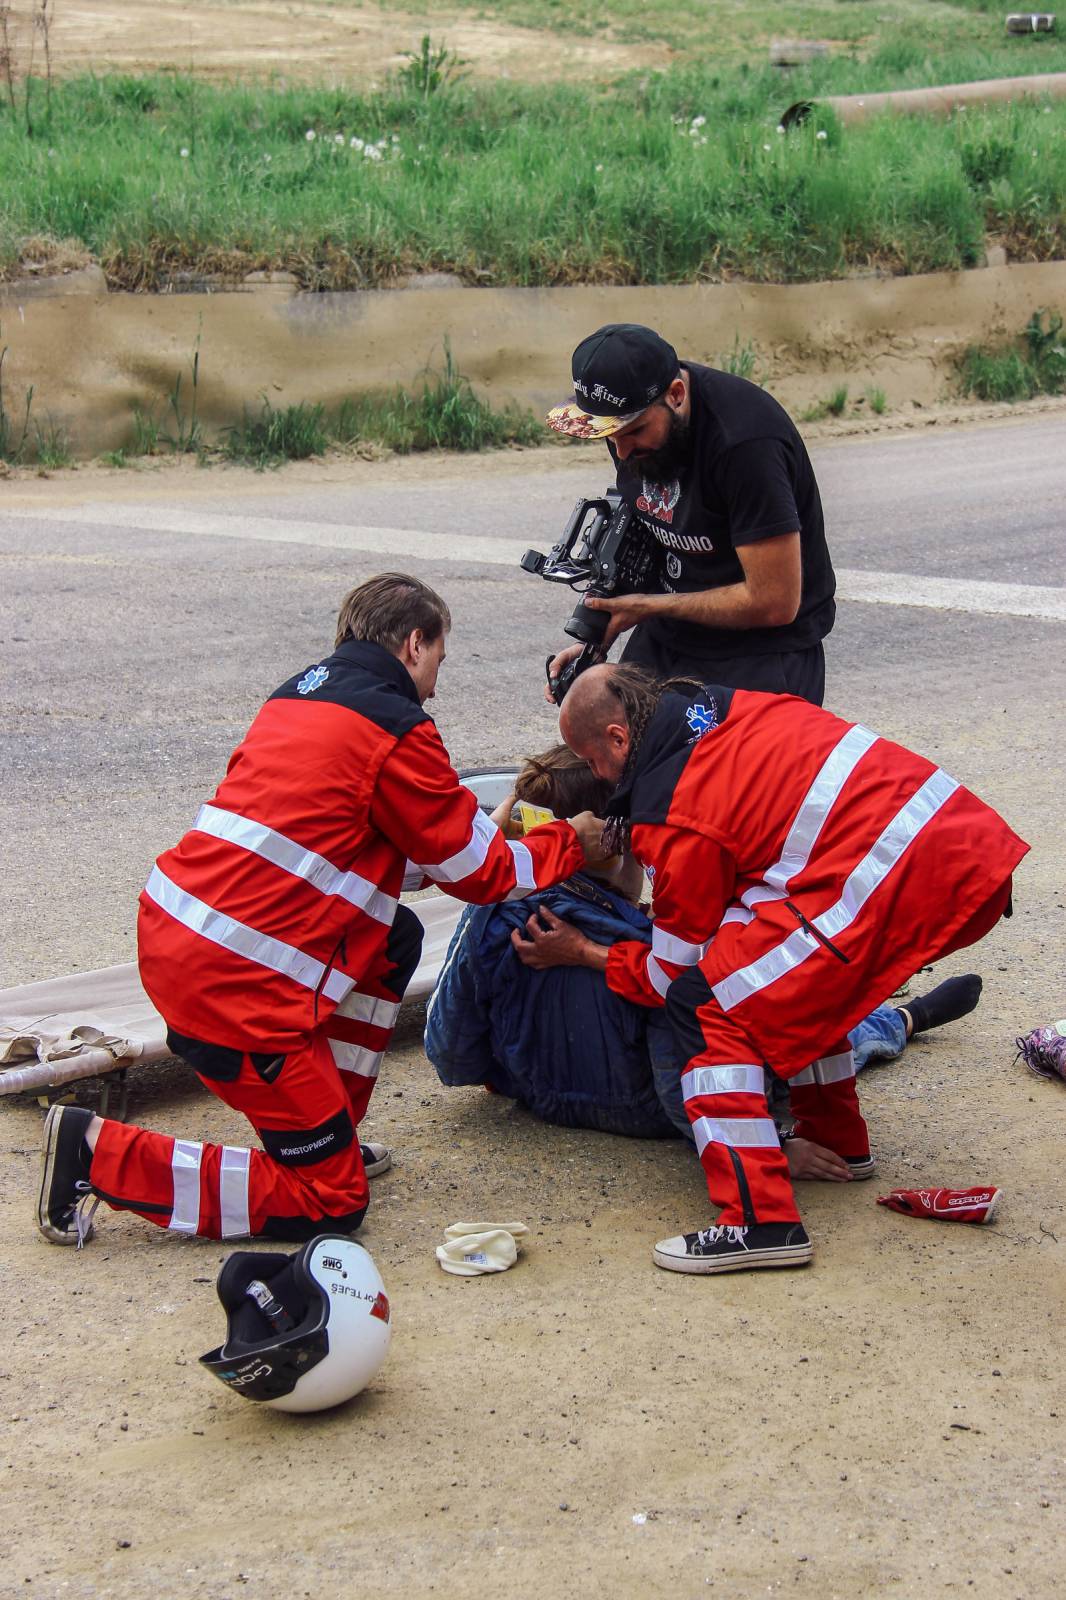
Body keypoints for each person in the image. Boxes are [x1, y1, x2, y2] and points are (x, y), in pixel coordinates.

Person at [36, 574, 605, 1249]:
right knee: (332, 1205)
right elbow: (481, 874)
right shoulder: (398, 728)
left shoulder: (298, 699)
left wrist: (471, 834)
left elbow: (355, 846)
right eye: (439, 663)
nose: (435, 688)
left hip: (183, 937)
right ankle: (95, 1154)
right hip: (236, 988)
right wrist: (573, 842)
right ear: (415, 642)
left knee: (392, 940)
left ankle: (324, 1133)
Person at [534, 664, 1027, 1276]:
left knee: (707, 1002)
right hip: (954, 844)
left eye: (597, 760)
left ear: (617, 738)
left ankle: (759, 1222)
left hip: (891, 872)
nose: (602, 779)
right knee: (784, 981)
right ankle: (839, 1141)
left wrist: (583, 952)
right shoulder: (714, 706)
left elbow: (667, 974)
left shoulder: (675, 808)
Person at [425, 745, 985, 1180]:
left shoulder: (493, 913)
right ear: (610, 833)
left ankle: (899, 1017)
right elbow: (689, 1072)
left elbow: (450, 1055)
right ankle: (902, 1020)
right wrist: (776, 1146)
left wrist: (504, 835)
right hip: (641, 1110)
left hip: (536, 1094)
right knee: (770, 1016)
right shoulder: (655, 939)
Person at [545, 322, 835, 705]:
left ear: (676, 395)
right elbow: (647, 527)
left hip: (762, 650)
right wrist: (598, 637)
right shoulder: (630, 427)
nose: (622, 450)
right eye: (608, 435)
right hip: (671, 631)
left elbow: (775, 601)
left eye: (632, 431)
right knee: (615, 751)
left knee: (727, 766)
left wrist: (644, 608)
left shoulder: (746, 443)